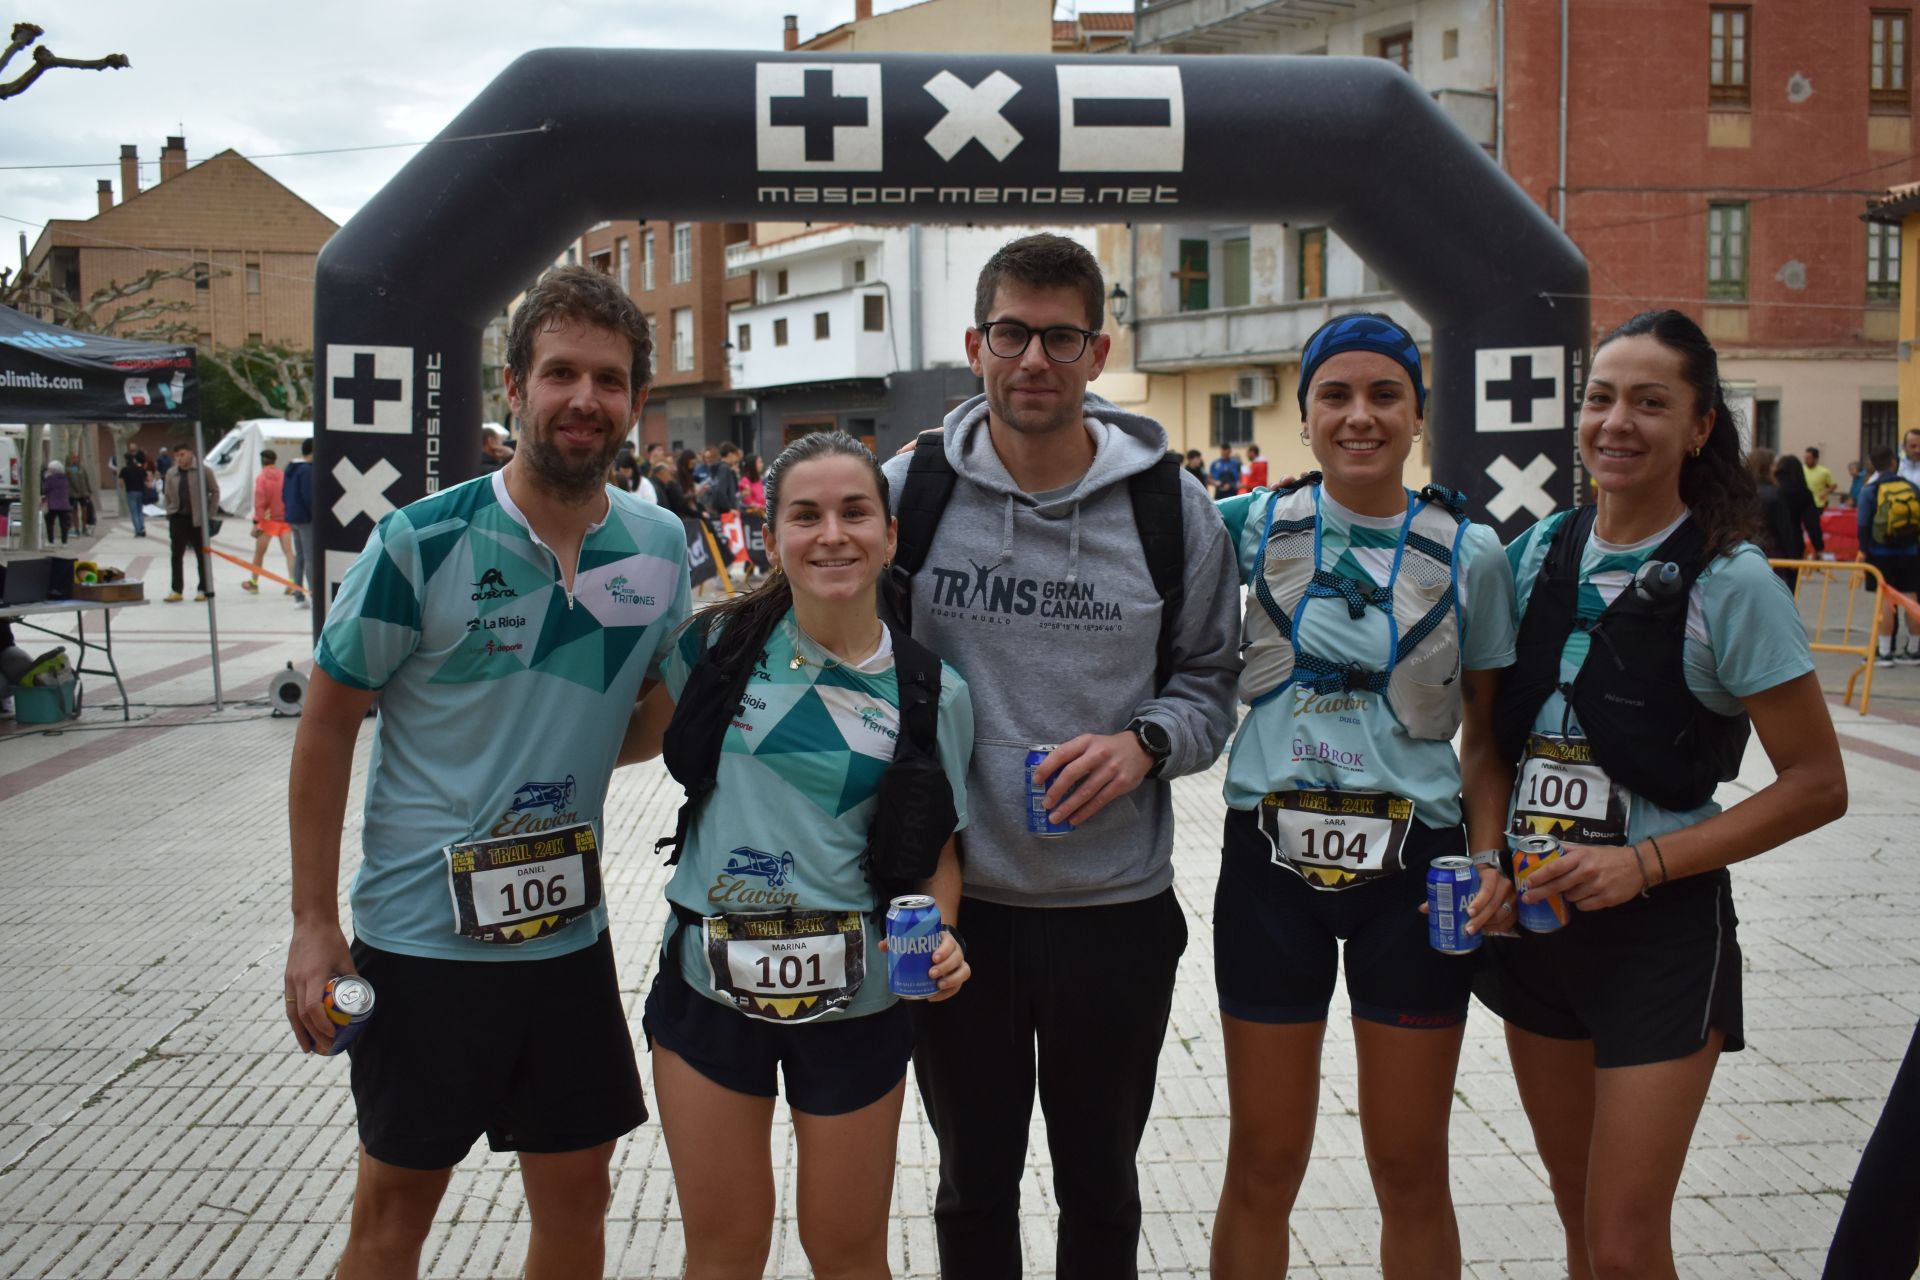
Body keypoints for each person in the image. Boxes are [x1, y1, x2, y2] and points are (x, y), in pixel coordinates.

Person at [282, 265, 690, 1280]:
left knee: (577, 1206)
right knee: (392, 1217)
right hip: (423, 946)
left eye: (608, 377)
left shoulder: (658, 544)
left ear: (636, 399)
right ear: (514, 388)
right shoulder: (420, 541)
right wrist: (312, 920)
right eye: (560, 372)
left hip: (565, 941)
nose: (583, 398)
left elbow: (654, 721)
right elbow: (327, 724)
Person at [881, 232, 1242, 1278]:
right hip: (960, 913)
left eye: (1060, 336)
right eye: (1011, 333)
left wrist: (1144, 745)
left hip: (1115, 914)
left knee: (1103, 1190)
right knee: (971, 1188)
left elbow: (1214, 685)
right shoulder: (911, 492)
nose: (1033, 357)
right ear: (975, 344)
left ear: (1098, 349)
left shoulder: (1171, 510)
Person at [1478, 309, 1848, 1280]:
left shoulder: (1732, 583)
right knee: (1575, 1212)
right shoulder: (1537, 555)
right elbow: (1486, 742)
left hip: (1661, 936)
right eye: (1601, 398)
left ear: (1698, 424)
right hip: (1541, 926)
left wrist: (1642, 859)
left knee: (1628, 1233)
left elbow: (1818, 783)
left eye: (1651, 401)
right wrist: (1487, 855)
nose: (1617, 421)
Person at [1208, 313, 1518, 1279]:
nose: (1360, 416)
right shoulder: (1242, 529)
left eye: (1385, 395)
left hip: (1415, 877)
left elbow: (1488, 736)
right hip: (1267, 868)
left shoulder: (1473, 554)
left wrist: (1490, 857)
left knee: (1411, 1164)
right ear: (1303, 416)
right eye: (1335, 396)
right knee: (1263, 1159)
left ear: (1418, 414)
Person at [636, 431, 973, 1278]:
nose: (832, 534)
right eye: (806, 515)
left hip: (858, 1006)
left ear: (889, 535)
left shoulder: (937, 691)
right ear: (773, 534)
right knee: (726, 1247)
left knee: (847, 1249)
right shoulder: (713, 649)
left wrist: (941, 938)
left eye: (855, 512)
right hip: (709, 989)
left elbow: (938, 854)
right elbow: (604, 739)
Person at [1857, 443, 1920, 667]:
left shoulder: (1869, 491)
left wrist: (1864, 549)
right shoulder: (1912, 488)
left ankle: (1884, 652)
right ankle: (1914, 650)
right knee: (1911, 596)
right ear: (1894, 463)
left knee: (1885, 599)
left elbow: (1863, 523)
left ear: (1873, 465)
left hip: (1880, 552)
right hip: (1911, 551)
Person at [162, 446, 219, 602]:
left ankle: (203, 588)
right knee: (176, 555)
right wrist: (170, 511)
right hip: (178, 517)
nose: (179, 458)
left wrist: (210, 514)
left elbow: (215, 491)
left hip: (198, 519)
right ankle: (176, 589)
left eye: (182, 454)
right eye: (176, 456)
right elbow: (166, 493)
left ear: (191, 454)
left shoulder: (203, 471)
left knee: (202, 555)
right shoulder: (171, 473)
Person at [242, 448, 297, 595]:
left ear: (262, 461)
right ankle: (292, 582)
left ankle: (254, 582)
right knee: (289, 552)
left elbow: (260, 501)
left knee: (259, 553)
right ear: (275, 460)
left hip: (267, 521)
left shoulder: (262, 478)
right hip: (284, 519)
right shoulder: (283, 476)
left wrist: (256, 523)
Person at [1746, 447, 1800, 590]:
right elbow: (1784, 528)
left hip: (1746, 552)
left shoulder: (1741, 490)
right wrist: (1792, 556)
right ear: (1767, 467)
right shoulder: (1774, 493)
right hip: (1772, 551)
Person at [284, 438, 315, 607]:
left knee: (300, 557)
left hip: (292, 518)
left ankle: (298, 594)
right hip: (306, 519)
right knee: (310, 558)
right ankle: (313, 595)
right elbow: (310, 497)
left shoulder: (291, 469)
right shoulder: (307, 471)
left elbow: (284, 494)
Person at [1775, 452, 1821, 558]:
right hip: (1794, 541)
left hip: (1770, 543)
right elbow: (1812, 523)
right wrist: (1818, 546)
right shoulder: (1803, 492)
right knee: (1792, 573)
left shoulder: (1772, 490)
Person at [119, 450, 150, 538]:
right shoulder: (140, 468)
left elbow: (120, 483)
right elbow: (147, 479)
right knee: (140, 511)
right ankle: (142, 527)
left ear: (126, 460)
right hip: (140, 491)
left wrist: (124, 484)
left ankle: (138, 530)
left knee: (134, 512)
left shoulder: (124, 470)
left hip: (130, 491)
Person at [40, 459, 72, 546]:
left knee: (49, 524)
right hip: (64, 505)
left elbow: (45, 489)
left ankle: (51, 541)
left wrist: (45, 478)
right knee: (63, 525)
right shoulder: (65, 478)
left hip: (52, 504)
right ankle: (64, 542)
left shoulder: (50, 479)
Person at [65, 453, 94, 536]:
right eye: (73, 458)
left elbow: (86, 479)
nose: (75, 459)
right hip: (73, 493)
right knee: (74, 511)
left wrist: (89, 491)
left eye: (77, 457)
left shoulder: (82, 468)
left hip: (83, 492)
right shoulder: (67, 470)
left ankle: (84, 527)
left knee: (84, 510)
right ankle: (77, 528)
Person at [1803, 445, 1836, 510]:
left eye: (1809, 458)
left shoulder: (1824, 472)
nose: (1806, 460)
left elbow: (1833, 486)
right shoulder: (1801, 470)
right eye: (1805, 458)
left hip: (1818, 504)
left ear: (1815, 459)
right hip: (1804, 503)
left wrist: (1825, 492)